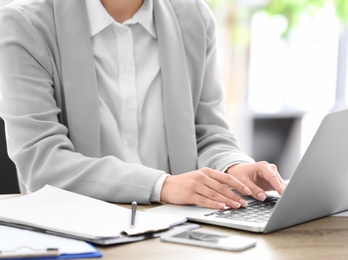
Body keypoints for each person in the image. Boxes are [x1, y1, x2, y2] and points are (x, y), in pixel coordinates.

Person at [0, 0, 287, 209]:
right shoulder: (23, 25)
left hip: (180, 231)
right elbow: (43, 164)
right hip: (76, 231)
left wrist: (233, 168)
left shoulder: (194, 17)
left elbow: (209, 134)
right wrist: (163, 186)